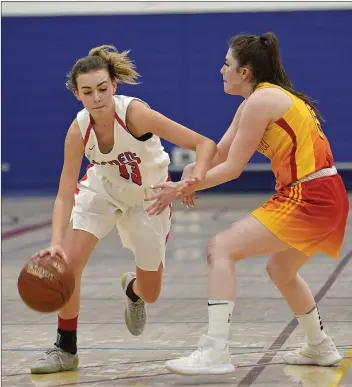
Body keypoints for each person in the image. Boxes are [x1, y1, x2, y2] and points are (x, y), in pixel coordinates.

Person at [145, 32, 349, 376]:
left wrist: (182, 188)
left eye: (227, 64)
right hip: (327, 194)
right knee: (280, 270)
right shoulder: (254, 103)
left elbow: (233, 169)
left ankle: (214, 351)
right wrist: (191, 174)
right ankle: (320, 346)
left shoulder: (261, 102)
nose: (221, 69)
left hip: (310, 195)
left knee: (220, 247)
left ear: (245, 72)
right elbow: (218, 153)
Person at [29, 44, 217, 374]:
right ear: (77, 95)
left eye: (102, 89)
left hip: (149, 199)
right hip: (102, 191)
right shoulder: (77, 130)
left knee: (152, 292)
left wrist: (191, 180)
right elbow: (63, 194)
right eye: (87, 92)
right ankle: (65, 347)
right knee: (69, 265)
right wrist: (56, 242)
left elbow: (204, 144)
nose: (97, 97)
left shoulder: (135, 114)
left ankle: (133, 290)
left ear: (114, 86)